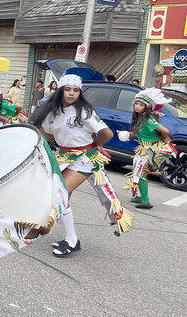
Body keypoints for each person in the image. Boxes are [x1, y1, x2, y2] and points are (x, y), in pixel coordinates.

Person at [31, 73, 133, 256]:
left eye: (76, 90)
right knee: (62, 196)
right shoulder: (52, 113)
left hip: (85, 158)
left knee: (60, 192)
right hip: (64, 156)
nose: (72, 93)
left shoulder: (84, 111)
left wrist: (92, 146)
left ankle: (71, 240)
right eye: (68, 90)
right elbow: (46, 134)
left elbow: (107, 134)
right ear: (60, 90)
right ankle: (71, 238)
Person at [118, 88, 174, 210]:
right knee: (136, 172)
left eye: (141, 105)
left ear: (146, 107)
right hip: (143, 149)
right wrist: (125, 134)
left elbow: (165, 131)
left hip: (152, 150)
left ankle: (145, 201)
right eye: (136, 104)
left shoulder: (149, 120)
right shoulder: (139, 119)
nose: (137, 106)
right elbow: (136, 132)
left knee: (141, 173)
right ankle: (138, 196)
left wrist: (166, 140)